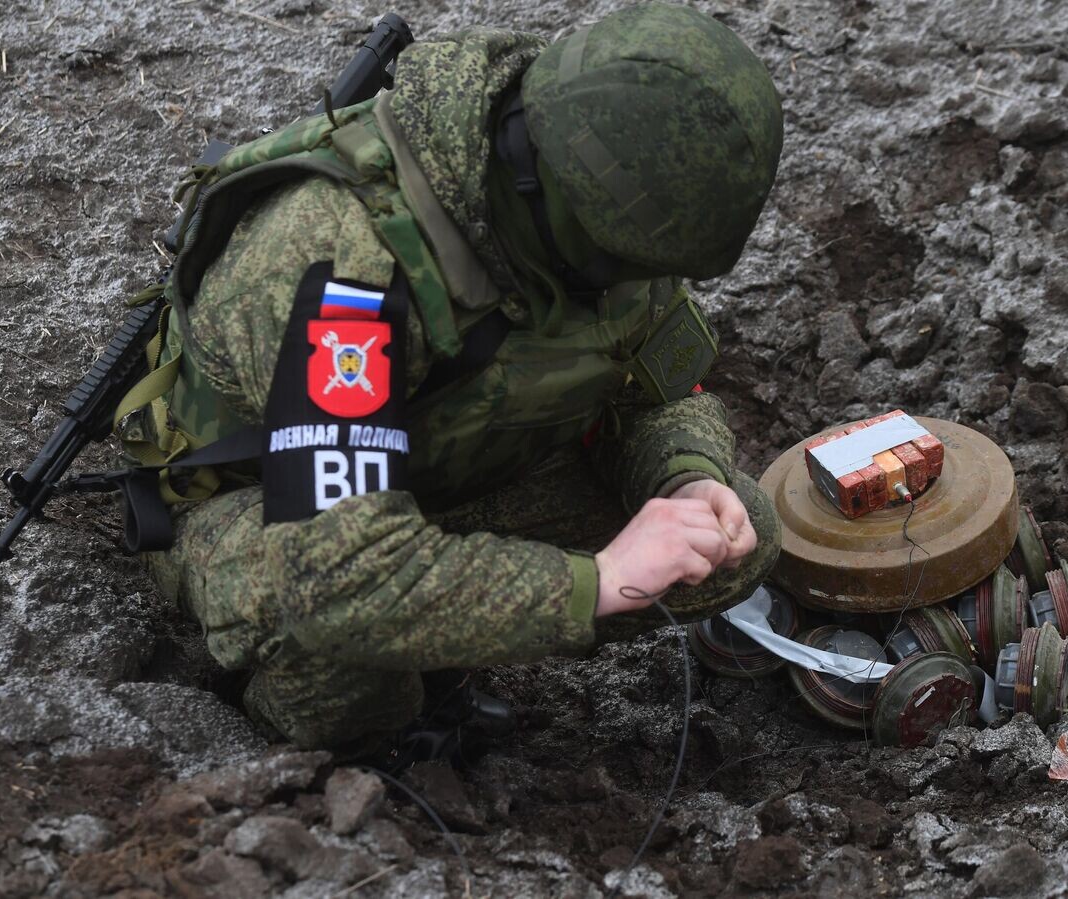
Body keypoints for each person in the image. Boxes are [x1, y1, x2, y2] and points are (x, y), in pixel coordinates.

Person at [132, 1, 785, 754]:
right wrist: (596, 581)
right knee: (353, 678)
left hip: (434, 476)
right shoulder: (346, 268)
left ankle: (451, 622)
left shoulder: (599, 190)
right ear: (573, 211)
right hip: (266, 511)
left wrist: (686, 477)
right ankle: (331, 727)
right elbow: (339, 581)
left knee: (738, 534)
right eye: (633, 265)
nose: (646, 281)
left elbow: (659, 394)